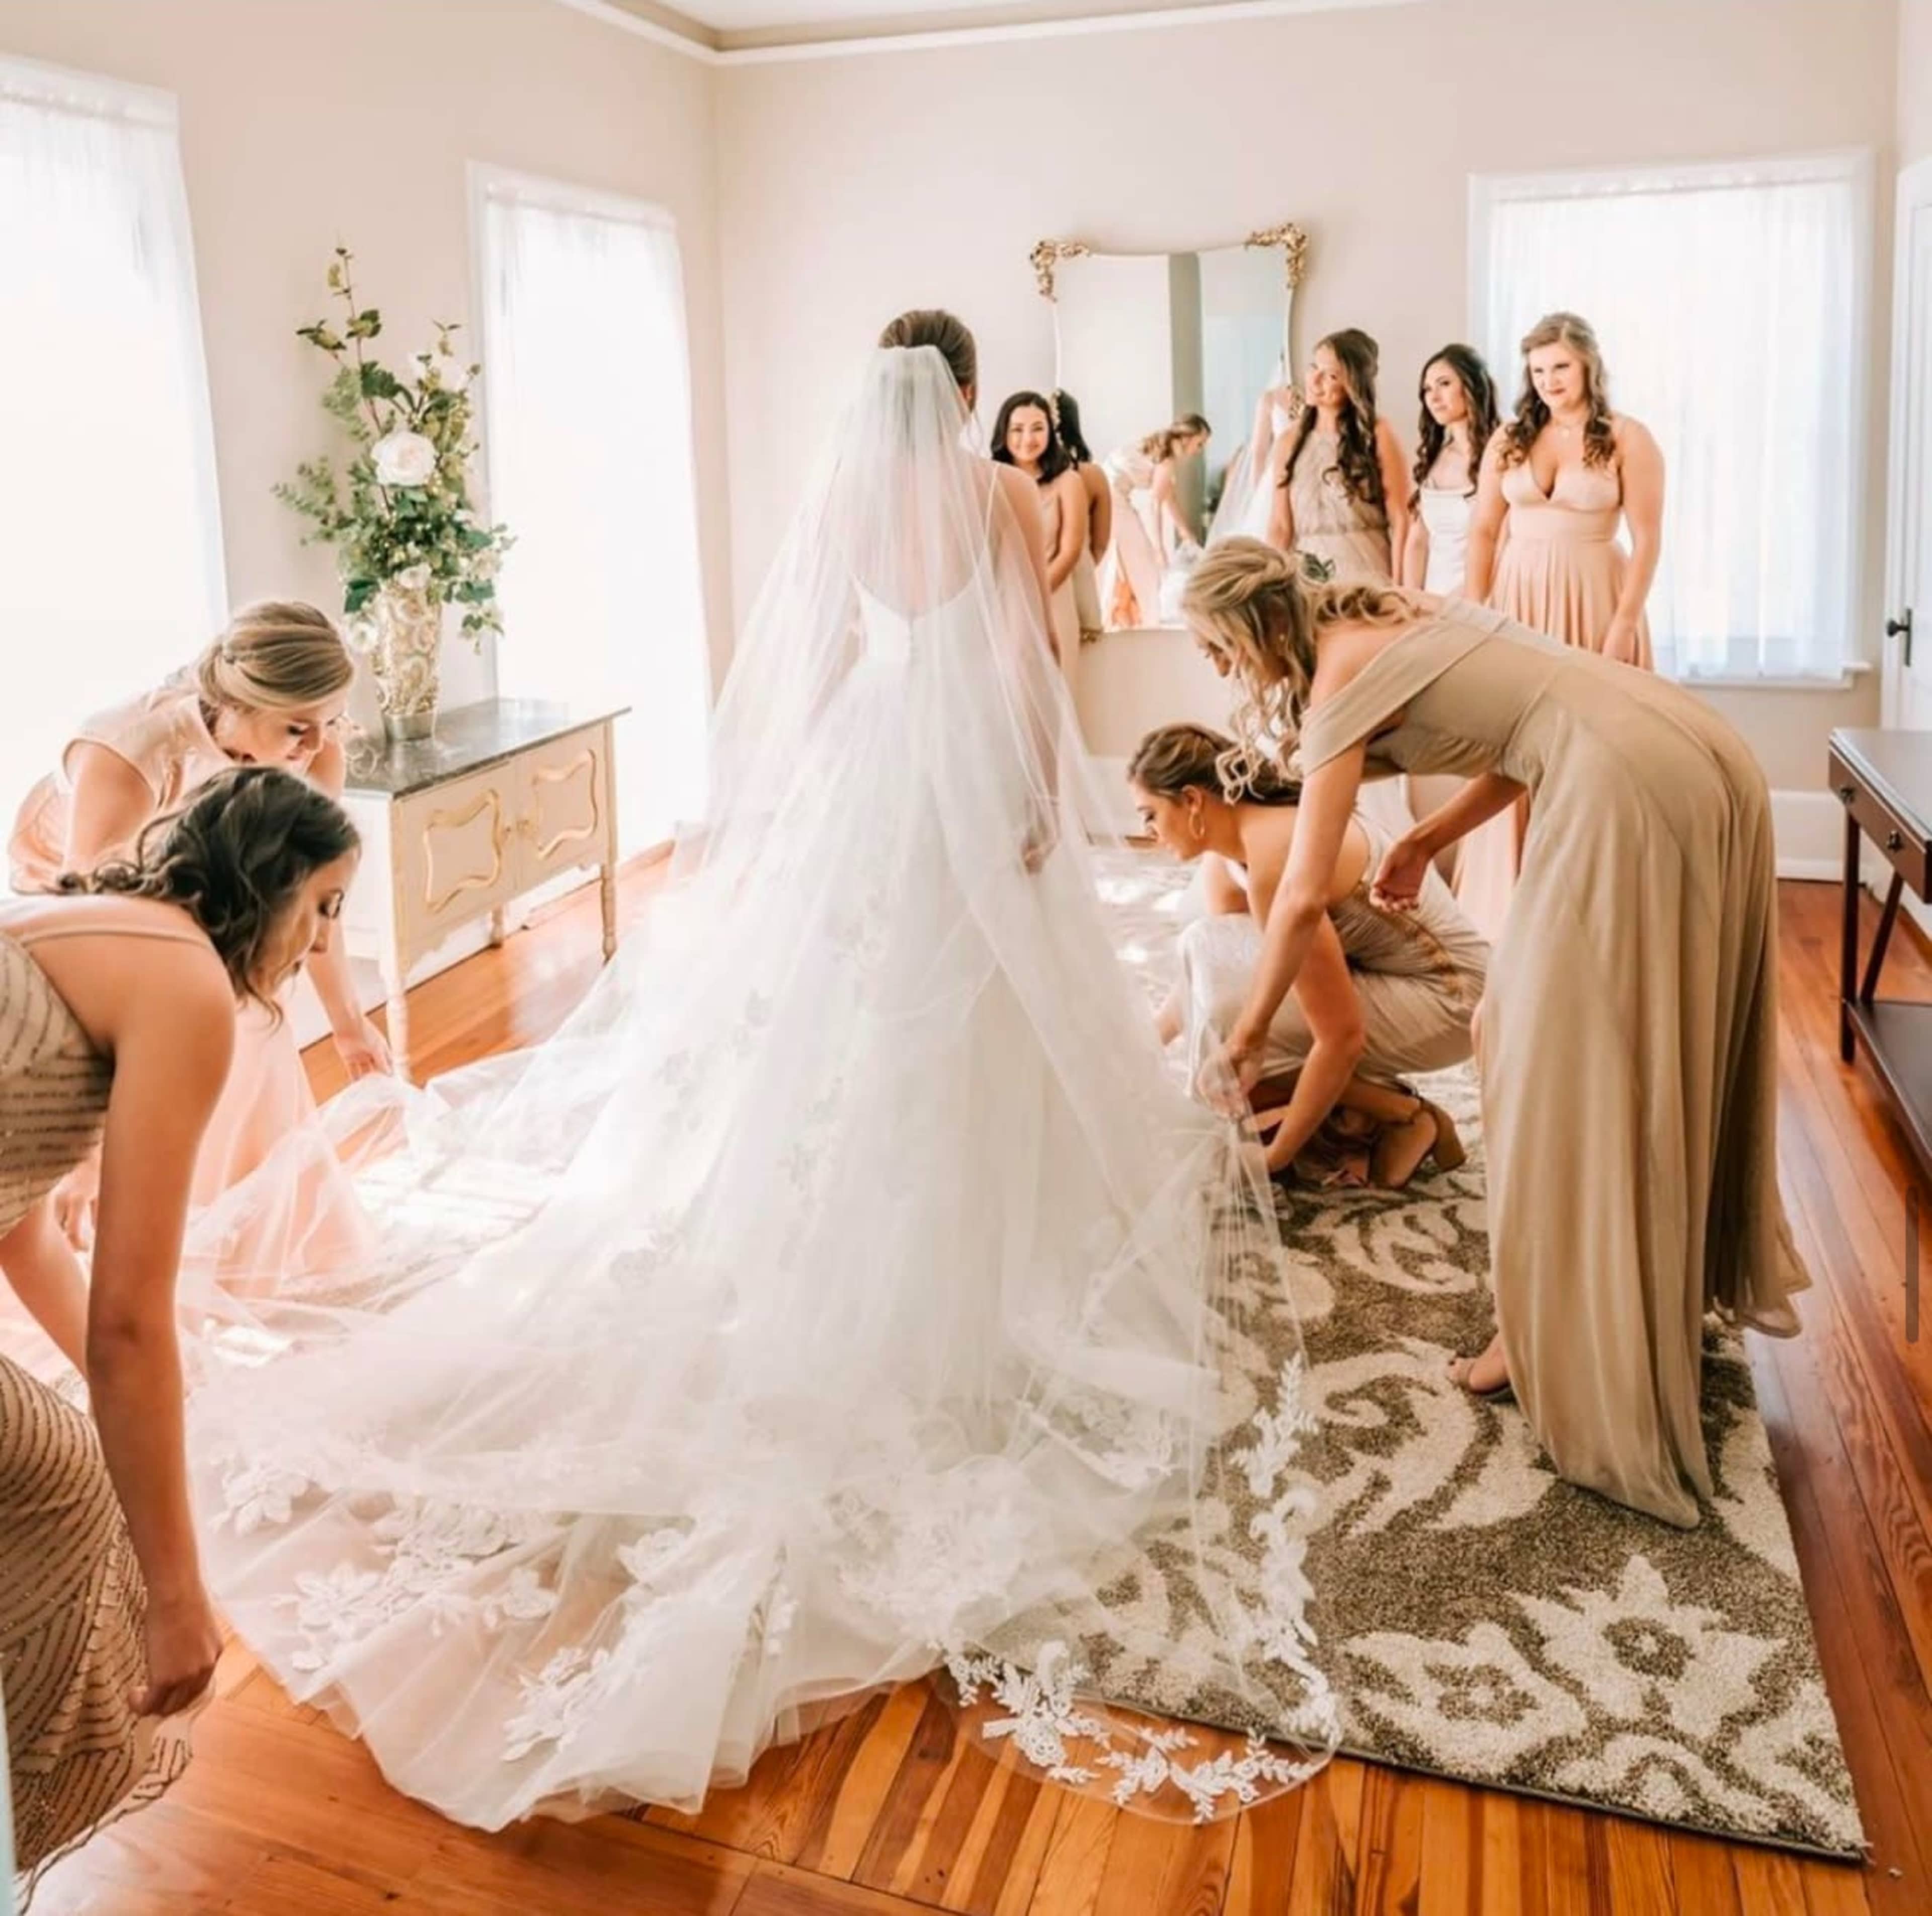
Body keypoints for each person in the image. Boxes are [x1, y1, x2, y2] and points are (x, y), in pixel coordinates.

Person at [180, 313, 1337, 1832]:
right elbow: (1021, 647)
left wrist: (795, 806)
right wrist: (1033, 782)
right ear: (966, 395)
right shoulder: (995, 489)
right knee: (971, 994)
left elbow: (828, 653)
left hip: (869, 762)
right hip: (951, 756)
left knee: (846, 1010)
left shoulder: (847, 491)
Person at [1179, 538, 1806, 1528]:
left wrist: (1253, 1029)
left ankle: (1552, 1334)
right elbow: (1527, 725)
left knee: (1542, 1050)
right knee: (1597, 1030)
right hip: (1683, 738)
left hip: (1620, 774)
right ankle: (1642, 1282)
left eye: (1214, 644)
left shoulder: (1337, 676)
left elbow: (1298, 890)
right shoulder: (1390, 609)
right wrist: (1426, 839)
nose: (1213, 664)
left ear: (1253, 625)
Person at [2, 768, 360, 1894]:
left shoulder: (82, 923)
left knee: (72, 1460)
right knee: (69, 1490)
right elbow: (126, 1321)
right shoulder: (188, 987)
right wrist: (178, 1597)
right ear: (271, 881)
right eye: (325, 905)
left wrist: (165, 1396)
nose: (324, 940)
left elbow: (20, 1224)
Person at [10, 604, 388, 1258]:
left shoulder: (312, 748)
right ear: (238, 703)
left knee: (263, 1028)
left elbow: (313, 902)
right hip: (84, 909)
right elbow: (94, 942)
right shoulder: (129, 752)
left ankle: (276, 1248)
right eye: (298, 728)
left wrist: (349, 1025)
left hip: (203, 897)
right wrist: (88, 1146)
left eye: (328, 723)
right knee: (198, 1043)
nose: (316, 747)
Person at [1129, 723, 1480, 1187]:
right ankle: (1384, 1115)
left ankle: (1399, 1115)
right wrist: (1148, 1043)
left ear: (1193, 801)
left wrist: (1274, 1158)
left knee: (1235, 1031)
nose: (1149, 832)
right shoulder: (1231, 852)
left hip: (1452, 996)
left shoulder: (1275, 858)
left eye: (1150, 815)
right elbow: (1212, 970)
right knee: (1221, 991)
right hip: (1386, 975)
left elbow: (1340, 1037)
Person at [1455, 314, 1665, 940]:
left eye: (1561, 368)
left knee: (1591, 750)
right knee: (1515, 743)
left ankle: (1591, 917)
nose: (1549, 381)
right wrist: (1477, 609)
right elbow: (1484, 530)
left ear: (1589, 365)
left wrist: (1625, 622)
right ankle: (1507, 908)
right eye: (1539, 370)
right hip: (1518, 601)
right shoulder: (1510, 438)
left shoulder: (1628, 438)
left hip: (1595, 598)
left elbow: (1648, 539)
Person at [1264, 331, 1409, 582]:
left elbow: (1401, 518)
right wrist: (1269, 584)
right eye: (1314, 367)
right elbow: (1280, 526)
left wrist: (1400, 587)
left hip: (1368, 572)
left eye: (1330, 375)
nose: (1315, 380)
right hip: (1309, 576)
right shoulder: (1289, 441)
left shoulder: (1377, 433)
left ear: (1353, 385)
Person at [991, 390, 1091, 692]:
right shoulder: (992, 480)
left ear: (1051, 431)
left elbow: (1071, 551)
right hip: (1002, 603)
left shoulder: (1068, 482)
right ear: (1004, 433)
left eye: (1037, 428)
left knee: (1056, 693)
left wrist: (1035, 598)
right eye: (1017, 429)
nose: (1028, 439)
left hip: (1054, 599)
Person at [1049, 390, 1109, 647]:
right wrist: (1080, 564)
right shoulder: (1093, 476)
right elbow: (1101, 544)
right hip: (1080, 578)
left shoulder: (1020, 476)